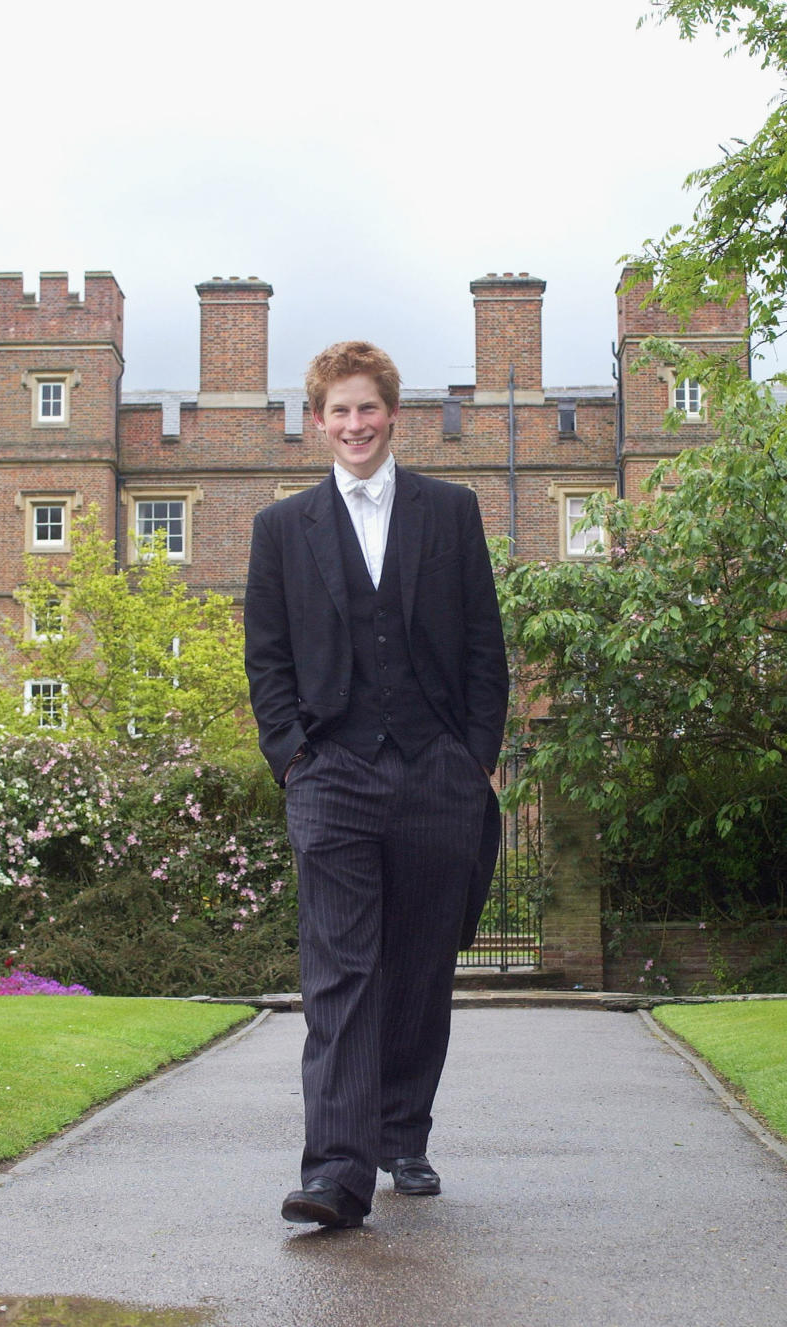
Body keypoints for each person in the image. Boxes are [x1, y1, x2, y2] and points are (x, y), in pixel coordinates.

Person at [244, 341, 509, 1229]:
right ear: (316, 421)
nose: (354, 426)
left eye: (367, 409)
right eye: (338, 411)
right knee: (341, 973)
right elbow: (267, 660)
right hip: (331, 772)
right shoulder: (281, 529)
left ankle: (404, 1131)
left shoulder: (451, 511)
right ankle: (335, 1170)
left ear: (392, 414)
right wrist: (292, 756)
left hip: (437, 768)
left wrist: (474, 759)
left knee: (421, 966)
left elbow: (483, 647)